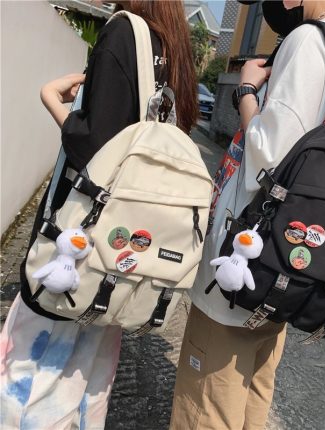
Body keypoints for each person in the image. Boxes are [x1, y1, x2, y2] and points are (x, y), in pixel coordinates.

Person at [0, 1, 198, 428]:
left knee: (32, 377)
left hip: (77, 247)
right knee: (87, 376)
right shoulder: (174, 44)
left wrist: (52, 100)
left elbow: (96, 147)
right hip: (122, 257)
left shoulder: (123, 31)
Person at [170, 0, 325, 429]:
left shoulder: (307, 41)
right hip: (284, 259)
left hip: (243, 260)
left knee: (207, 401)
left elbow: (271, 157)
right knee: (254, 388)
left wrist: (246, 91)